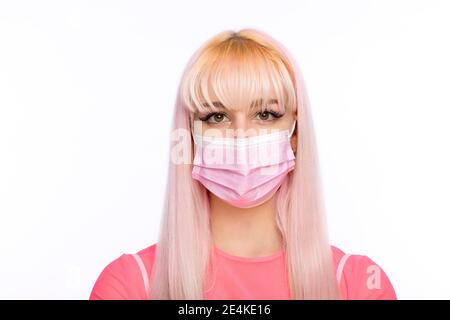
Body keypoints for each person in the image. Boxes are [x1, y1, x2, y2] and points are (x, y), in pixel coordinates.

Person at [89, 28, 397, 300]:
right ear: (191, 137)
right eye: (216, 117)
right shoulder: (129, 285)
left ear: (295, 134)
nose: (240, 135)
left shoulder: (359, 286)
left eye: (265, 114)